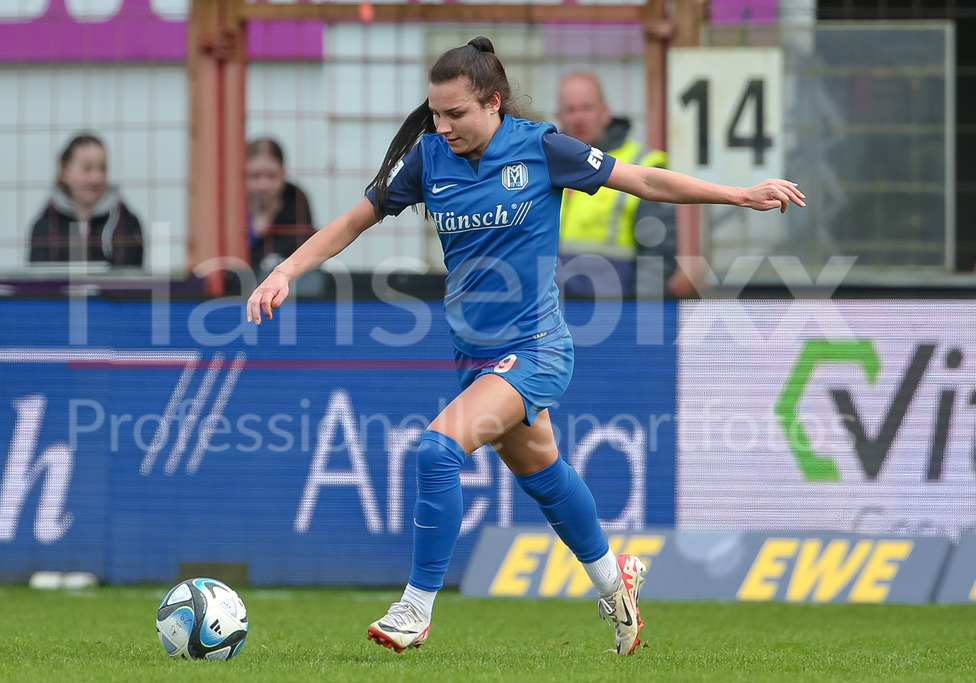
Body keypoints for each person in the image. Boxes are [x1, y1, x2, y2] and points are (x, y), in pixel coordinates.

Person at [247, 37, 804, 655]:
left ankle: (416, 607)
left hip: (536, 348)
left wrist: (739, 193)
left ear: (493, 102)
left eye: (456, 113)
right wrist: (284, 272)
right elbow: (354, 220)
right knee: (543, 474)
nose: (442, 125)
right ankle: (612, 579)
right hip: (474, 354)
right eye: (435, 113)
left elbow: (642, 179)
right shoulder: (429, 159)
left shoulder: (541, 148)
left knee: (437, 450)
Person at [556, 71, 676, 298]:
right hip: (555, 314)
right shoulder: (547, 165)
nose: (579, 118)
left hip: (616, 313)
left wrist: (640, 319)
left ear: (605, 112)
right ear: (559, 115)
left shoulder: (643, 165)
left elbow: (657, 255)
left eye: (587, 108)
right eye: (571, 110)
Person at [28, 133, 144, 266]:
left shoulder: (127, 223)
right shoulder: (45, 226)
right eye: (87, 169)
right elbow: (39, 281)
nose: (96, 177)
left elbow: (131, 279)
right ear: (65, 171)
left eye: (102, 168)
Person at [245, 137, 316, 278]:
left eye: (272, 176)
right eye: (255, 176)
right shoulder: (233, 206)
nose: (263, 184)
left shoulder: (296, 199)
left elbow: (305, 251)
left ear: (283, 173)